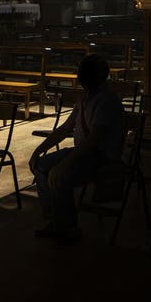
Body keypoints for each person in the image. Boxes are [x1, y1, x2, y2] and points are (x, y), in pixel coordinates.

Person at [29, 53, 124, 244]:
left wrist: (65, 164)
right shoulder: (86, 97)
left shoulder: (106, 100)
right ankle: (54, 220)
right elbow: (66, 128)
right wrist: (39, 151)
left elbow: (94, 140)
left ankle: (67, 227)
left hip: (101, 156)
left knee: (60, 175)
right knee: (41, 166)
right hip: (84, 153)